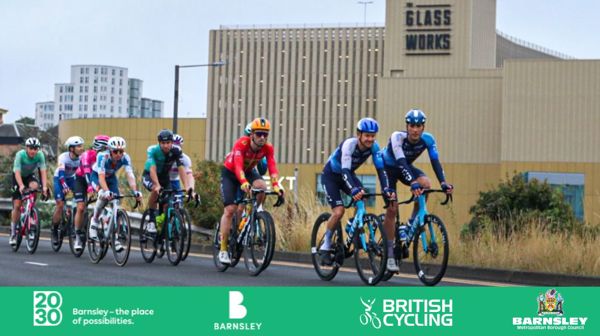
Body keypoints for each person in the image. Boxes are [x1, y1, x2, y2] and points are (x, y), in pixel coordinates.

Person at [318, 118, 395, 270]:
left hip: (348, 175)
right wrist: (353, 189)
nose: (370, 139)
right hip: (332, 176)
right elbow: (345, 170)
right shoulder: (349, 145)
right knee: (339, 211)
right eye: (367, 135)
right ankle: (326, 245)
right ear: (359, 134)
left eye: (373, 136)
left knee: (362, 198)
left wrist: (386, 188)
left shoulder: (374, 148)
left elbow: (381, 171)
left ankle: (353, 225)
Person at [381, 109, 453, 259]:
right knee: (392, 209)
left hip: (405, 167)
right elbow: (400, 162)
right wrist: (413, 182)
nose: (415, 129)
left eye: (418, 126)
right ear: (407, 126)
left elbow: (435, 163)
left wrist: (443, 183)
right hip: (389, 168)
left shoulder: (428, 140)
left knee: (426, 184)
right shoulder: (397, 137)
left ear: (423, 127)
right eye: (412, 126)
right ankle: (388, 252)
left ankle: (410, 224)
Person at [218, 117, 285, 264]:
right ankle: (223, 249)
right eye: (259, 134)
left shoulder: (268, 148)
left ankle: (254, 212)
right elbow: (237, 166)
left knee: (262, 186)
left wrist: (276, 185)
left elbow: (272, 168)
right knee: (230, 210)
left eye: (265, 134)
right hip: (231, 173)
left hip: (248, 172)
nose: (262, 137)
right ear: (252, 134)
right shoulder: (242, 143)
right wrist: (243, 182)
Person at [88, 137, 142, 251]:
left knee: (116, 204)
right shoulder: (103, 156)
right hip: (97, 176)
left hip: (111, 178)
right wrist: (106, 191)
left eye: (121, 151)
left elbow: (130, 175)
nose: (118, 154)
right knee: (102, 195)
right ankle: (95, 220)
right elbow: (101, 177)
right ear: (109, 150)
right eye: (115, 152)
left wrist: (135, 191)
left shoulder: (125, 158)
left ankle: (115, 238)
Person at [142, 129, 189, 234]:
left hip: (164, 178)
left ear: (172, 142)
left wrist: (187, 186)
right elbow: (152, 169)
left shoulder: (176, 150)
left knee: (168, 202)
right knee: (155, 190)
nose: (166, 146)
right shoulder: (152, 150)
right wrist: (157, 185)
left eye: (168, 143)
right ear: (159, 143)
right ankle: (151, 220)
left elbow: (181, 169)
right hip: (150, 176)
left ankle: (163, 227)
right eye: (163, 143)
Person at [9, 138, 49, 246]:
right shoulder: (20, 155)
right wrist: (21, 186)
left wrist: (44, 187)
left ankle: (30, 211)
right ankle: (13, 232)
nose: (33, 151)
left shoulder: (40, 155)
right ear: (26, 148)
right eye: (31, 148)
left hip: (29, 176)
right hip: (17, 177)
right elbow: (17, 172)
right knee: (17, 205)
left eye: (36, 149)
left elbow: (43, 171)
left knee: (35, 186)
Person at [73, 135, 110, 248]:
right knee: (81, 207)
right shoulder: (87, 155)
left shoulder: (107, 157)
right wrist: (90, 187)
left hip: (96, 179)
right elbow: (87, 172)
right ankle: (78, 237)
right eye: (106, 149)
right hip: (82, 179)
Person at [50, 136, 85, 250]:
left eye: (82, 146)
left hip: (73, 180)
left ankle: (75, 222)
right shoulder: (63, 157)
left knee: (80, 203)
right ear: (71, 149)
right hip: (60, 179)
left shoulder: (82, 158)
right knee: (60, 205)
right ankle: (55, 230)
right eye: (78, 146)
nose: (81, 148)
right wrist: (64, 185)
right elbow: (61, 173)